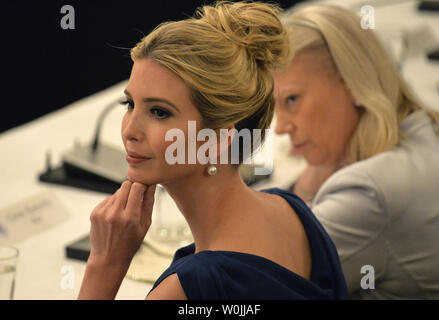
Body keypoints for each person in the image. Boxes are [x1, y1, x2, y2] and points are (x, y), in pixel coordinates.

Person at [77, 1, 348, 300]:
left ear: (217, 139)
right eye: (129, 104)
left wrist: (104, 265)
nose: (129, 130)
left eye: (159, 112)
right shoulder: (293, 210)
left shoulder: (192, 288)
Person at [273, 3, 439, 299]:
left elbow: (247, 285)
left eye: (292, 100)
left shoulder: (367, 193)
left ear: (351, 82)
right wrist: (310, 180)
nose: (280, 127)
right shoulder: (417, 127)